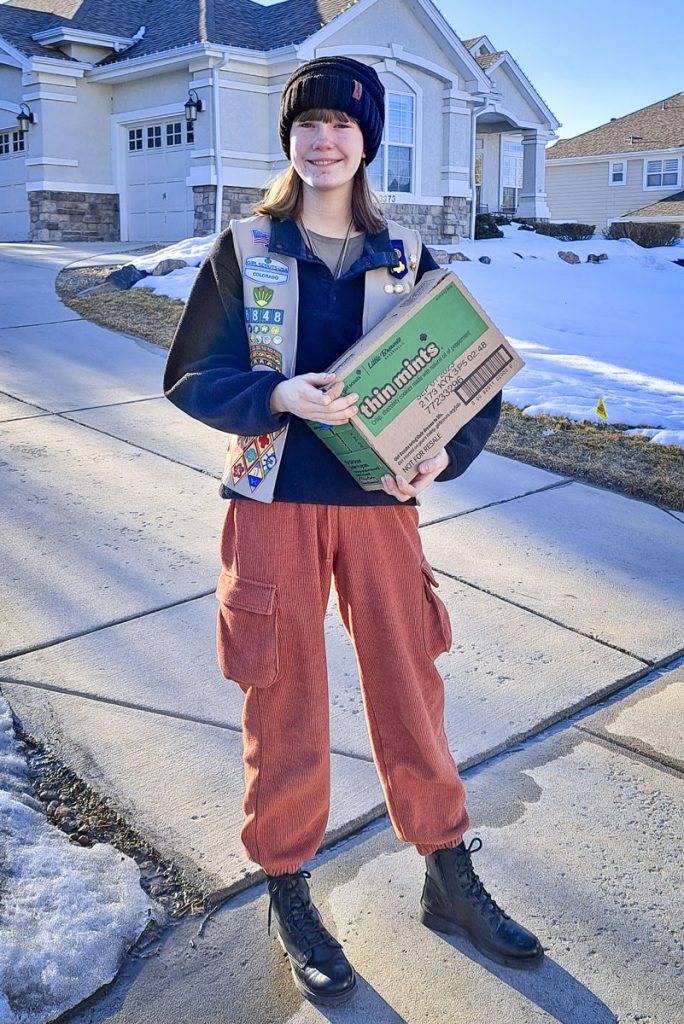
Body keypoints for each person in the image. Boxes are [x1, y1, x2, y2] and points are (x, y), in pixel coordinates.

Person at [163, 56, 544, 1007]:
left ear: (367, 141)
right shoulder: (245, 249)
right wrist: (274, 393)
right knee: (281, 698)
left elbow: (473, 380)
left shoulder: (409, 261)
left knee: (411, 685)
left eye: (342, 125)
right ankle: (288, 887)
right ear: (289, 141)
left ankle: (447, 872)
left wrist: (440, 460)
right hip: (274, 504)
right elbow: (189, 377)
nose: (324, 141)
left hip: (381, 512)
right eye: (308, 126)